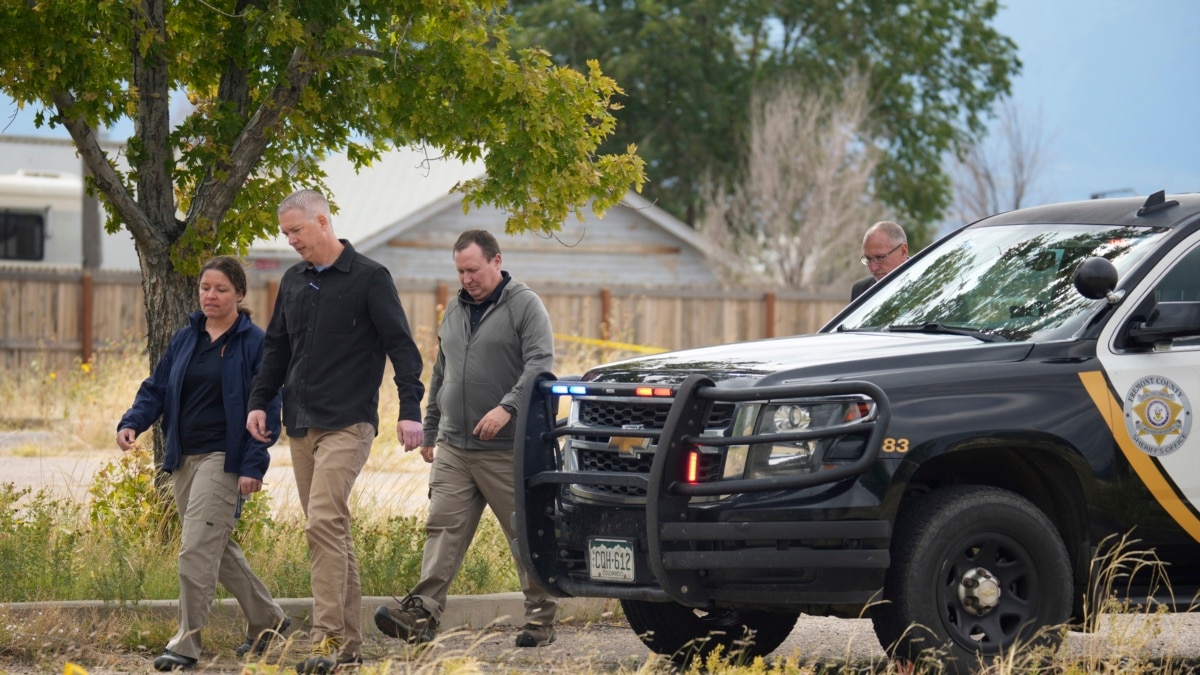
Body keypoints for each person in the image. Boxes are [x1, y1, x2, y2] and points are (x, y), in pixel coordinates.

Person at [246, 189, 425, 675]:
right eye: (285, 234)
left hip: (349, 421)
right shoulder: (293, 281)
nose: (291, 242)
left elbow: (402, 349)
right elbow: (277, 350)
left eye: (296, 231)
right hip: (300, 423)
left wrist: (411, 408)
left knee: (322, 521)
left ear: (322, 222)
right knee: (332, 530)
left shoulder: (369, 277)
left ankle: (323, 639)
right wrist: (260, 401)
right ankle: (349, 646)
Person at [373, 229, 559, 648]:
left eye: (473, 269)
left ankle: (540, 620)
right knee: (443, 529)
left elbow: (541, 364)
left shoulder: (524, 305)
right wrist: (432, 426)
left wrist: (507, 406)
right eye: (460, 271)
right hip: (455, 446)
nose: (467, 278)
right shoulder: (454, 309)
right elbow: (443, 372)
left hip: (507, 448)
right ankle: (421, 614)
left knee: (524, 534)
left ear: (496, 261)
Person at [116, 256, 288, 672]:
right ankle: (270, 621)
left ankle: (186, 644)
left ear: (240, 295)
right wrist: (134, 421)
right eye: (205, 288)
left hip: (224, 459)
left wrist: (252, 465)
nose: (210, 296)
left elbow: (267, 406)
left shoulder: (253, 343)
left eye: (221, 289)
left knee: (194, 549)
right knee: (216, 548)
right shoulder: (185, 338)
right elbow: (156, 388)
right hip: (182, 457)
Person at [851, 220, 909, 300]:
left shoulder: (927, 283)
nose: (873, 268)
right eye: (868, 259)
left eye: (879, 257)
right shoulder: (861, 290)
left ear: (903, 252)